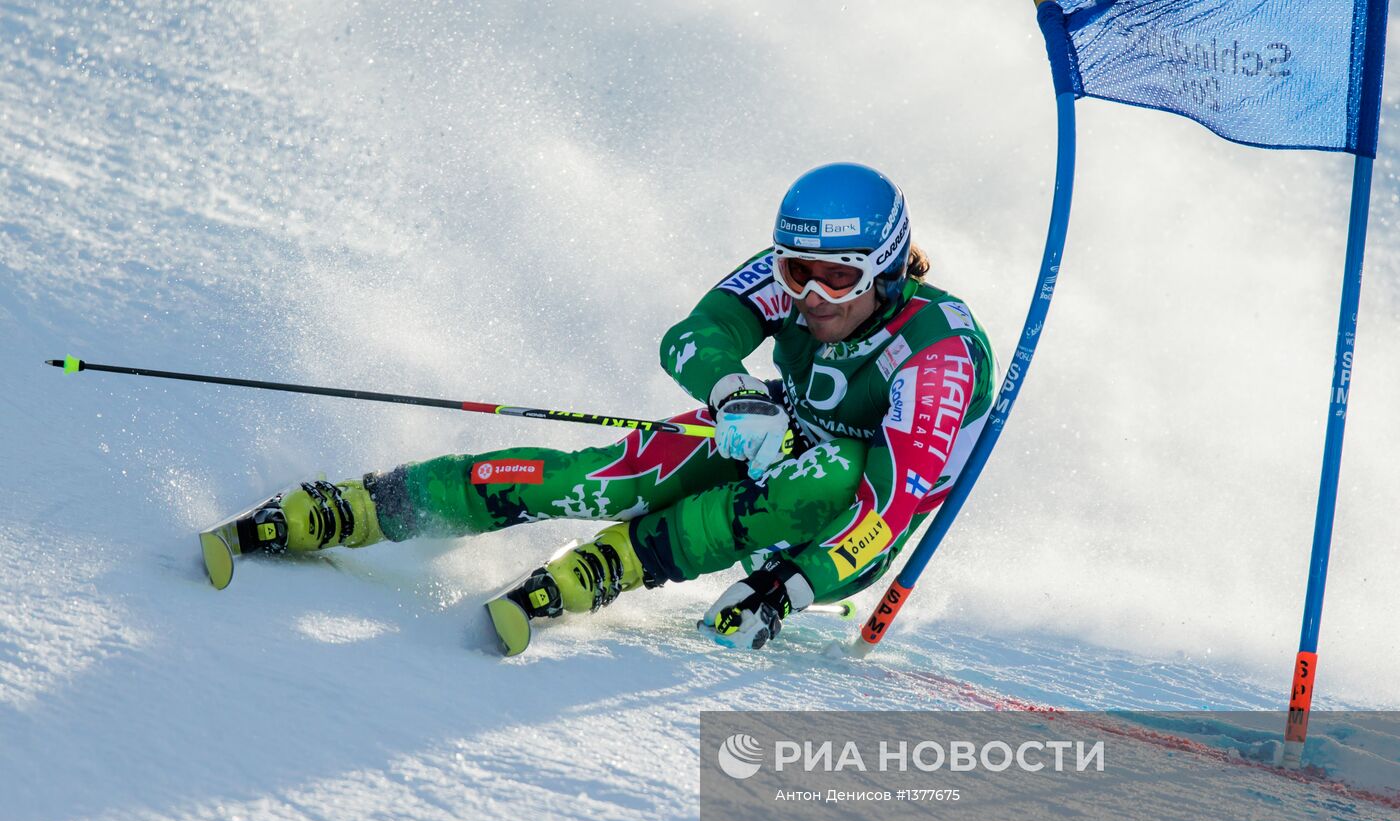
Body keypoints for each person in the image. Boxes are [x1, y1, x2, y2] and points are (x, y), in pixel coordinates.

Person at [207, 162, 998, 656]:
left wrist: (786, 586)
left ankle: (621, 562)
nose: (811, 297)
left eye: (839, 279)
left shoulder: (938, 355)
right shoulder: (792, 280)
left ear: (888, 270)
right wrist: (733, 392)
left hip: (842, 523)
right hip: (776, 428)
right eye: (795, 271)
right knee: (609, 479)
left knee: (821, 477)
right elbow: (693, 336)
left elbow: (889, 506)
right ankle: (365, 504)